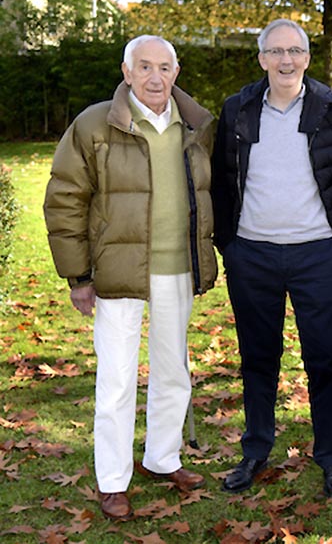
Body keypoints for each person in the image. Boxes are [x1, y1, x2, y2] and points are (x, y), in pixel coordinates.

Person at [43, 35, 216, 521]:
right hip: (117, 274)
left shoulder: (195, 125)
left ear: (176, 72)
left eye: (164, 67)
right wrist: (78, 275)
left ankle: (162, 460)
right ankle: (113, 480)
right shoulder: (96, 124)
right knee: (117, 380)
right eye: (144, 67)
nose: (155, 77)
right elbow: (65, 198)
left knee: (173, 373)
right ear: (126, 71)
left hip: (177, 269)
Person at [211, 19, 332, 497]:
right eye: (275, 51)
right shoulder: (238, 108)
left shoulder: (330, 107)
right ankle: (256, 450)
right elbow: (220, 178)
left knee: (325, 358)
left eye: (294, 51)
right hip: (252, 254)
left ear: (307, 58)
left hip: (318, 253)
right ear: (261, 59)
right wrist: (229, 244)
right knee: (258, 357)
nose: (285, 60)